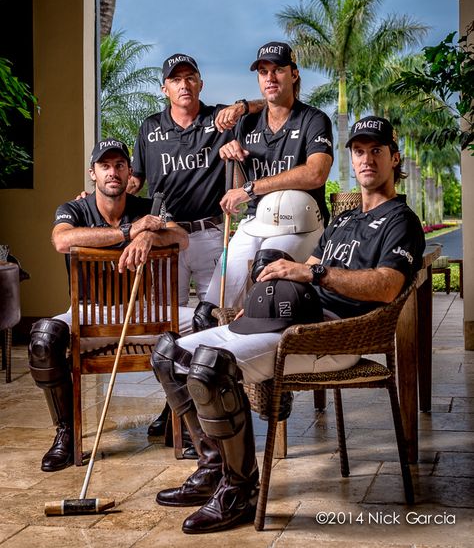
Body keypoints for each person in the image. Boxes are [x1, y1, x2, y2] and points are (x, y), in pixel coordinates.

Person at [150, 115, 425, 534]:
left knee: (209, 367)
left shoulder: (399, 221)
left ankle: (240, 489)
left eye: (377, 151)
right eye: (359, 151)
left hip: (330, 334)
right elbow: (315, 263)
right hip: (291, 319)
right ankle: (212, 467)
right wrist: (266, 295)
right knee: (169, 354)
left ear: (394, 157)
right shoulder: (345, 218)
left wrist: (313, 276)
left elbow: (388, 286)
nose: (366, 159)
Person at [28, 138, 189, 472]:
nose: (112, 172)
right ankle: (66, 433)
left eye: (119, 165)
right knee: (43, 340)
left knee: (206, 321)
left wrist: (149, 235)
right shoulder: (75, 209)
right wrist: (130, 231)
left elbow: (181, 237)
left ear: (130, 172)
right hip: (90, 313)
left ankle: (181, 417)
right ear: (93, 173)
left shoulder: (149, 207)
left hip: (145, 315)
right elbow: (62, 240)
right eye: (105, 166)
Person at [129, 52, 264, 437]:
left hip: (209, 234)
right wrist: (94, 196)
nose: (184, 84)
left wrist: (240, 106)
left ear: (200, 84)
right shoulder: (149, 128)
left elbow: (266, 107)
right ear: (165, 88)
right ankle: (175, 408)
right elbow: (134, 182)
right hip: (166, 239)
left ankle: (210, 409)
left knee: (209, 321)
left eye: (191, 77)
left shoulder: (219, 120)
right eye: (176, 79)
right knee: (167, 325)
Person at [204, 41, 333, 308]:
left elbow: (316, 174)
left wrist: (251, 189)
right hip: (254, 222)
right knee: (212, 305)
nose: (270, 78)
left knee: (266, 276)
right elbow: (239, 193)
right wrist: (233, 159)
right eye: (263, 71)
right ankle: (221, 347)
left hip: (301, 222)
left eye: (278, 70)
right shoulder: (247, 123)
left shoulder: (314, 119)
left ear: (294, 74)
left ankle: (266, 342)